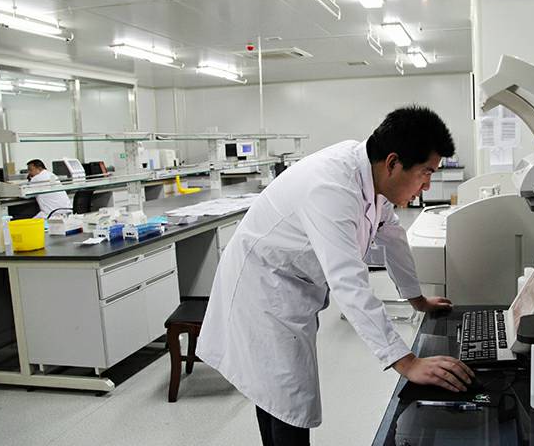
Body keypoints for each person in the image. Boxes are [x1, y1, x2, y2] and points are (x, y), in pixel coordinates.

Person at [197, 106, 475, 445]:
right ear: (393, 163)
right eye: (425, 173)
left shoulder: (368, 175)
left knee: (278, 394)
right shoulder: (332, 188)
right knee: (287, 399)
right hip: (263, 291)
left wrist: (417, 299)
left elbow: (392, 236)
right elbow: (348, 282)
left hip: (291, 287)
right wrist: (406, 362)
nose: (427, 185)